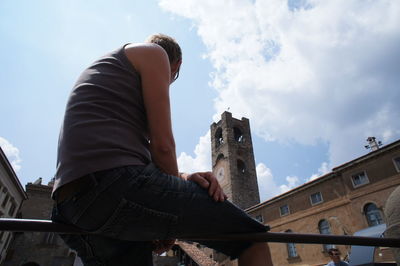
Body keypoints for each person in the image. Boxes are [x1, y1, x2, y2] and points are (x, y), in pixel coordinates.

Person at [51, 33, 272, 266]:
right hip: (111, 188)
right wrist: (169, 226)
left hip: (70, 207)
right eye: (172, 78)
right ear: (176, 66)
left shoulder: (111, 76)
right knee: (252, 238)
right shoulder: (154, 54)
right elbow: (163, 146)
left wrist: (184, 176)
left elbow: (139, 156)